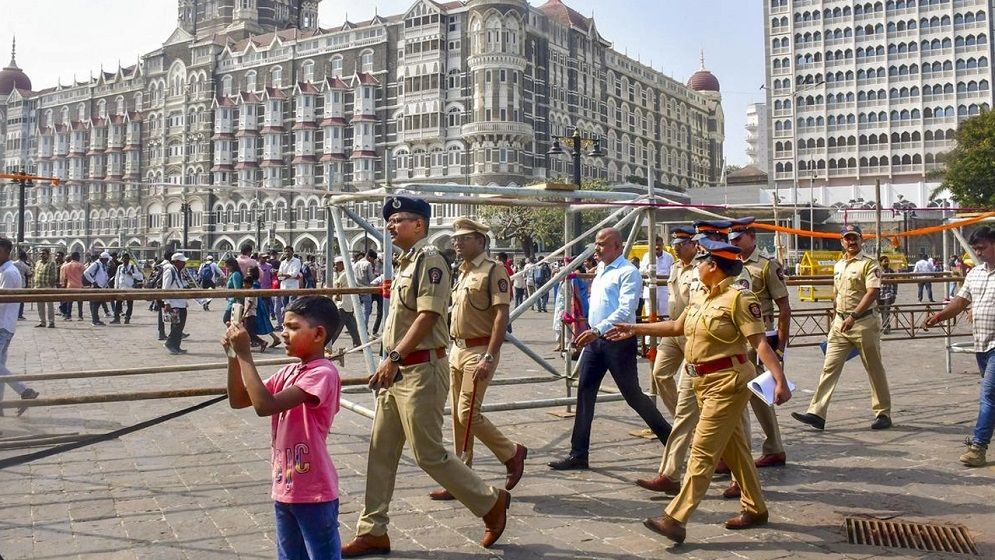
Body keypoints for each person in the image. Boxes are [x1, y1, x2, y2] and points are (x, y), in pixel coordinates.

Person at [342, 196, 510, 557]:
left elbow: (428, 316)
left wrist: (395, 357)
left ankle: (491, 502)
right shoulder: (405, 263)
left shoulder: (430, 261)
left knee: (428, 454)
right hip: (397, 370)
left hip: (421, 369)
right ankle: (373, 530)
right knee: (381, 451)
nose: (390, 226)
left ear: (419, 225)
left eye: (398, 220)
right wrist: (390, 359)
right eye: (389, 221)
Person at [606, 238, 791, 544]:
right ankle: (755, 508)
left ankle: (675, 518)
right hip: (701, 382)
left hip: (728, 382)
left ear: (713, 267)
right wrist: (635, 328)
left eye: (702, 262)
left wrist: (779, 379)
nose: (698, 266)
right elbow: (677, 326)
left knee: (702, 452)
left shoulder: (739, 299)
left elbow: (759, 342)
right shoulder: (701, 296)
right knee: (737, 451)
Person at [224, 295, 343, 560]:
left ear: (319, 334)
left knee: (322, 554)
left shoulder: (322, 373)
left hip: (314, 490)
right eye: (284, 327)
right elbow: (240, 399)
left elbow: (264, 406)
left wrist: (245, 354)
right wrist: (234, 358)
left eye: (293, 327)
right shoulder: (290, 371)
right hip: (285, 485)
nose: (284, 333)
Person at [548, 228, 672, 471]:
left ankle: (671, 440)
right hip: (596, 342)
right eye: (596, 243)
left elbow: (626, 311)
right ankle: (578, 453)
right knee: (585, 394)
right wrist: (590, 330)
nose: (597, 248)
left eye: (602, 244)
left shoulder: (628, 272)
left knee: (633, 396)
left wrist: (598, 329)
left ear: (617, 246)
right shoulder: (602, 270)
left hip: (617, 340)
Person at [427, 217, 527, 501]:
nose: (456, 242)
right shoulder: (462, 271)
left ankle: (511, 452)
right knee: (460, 422)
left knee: (467, 413)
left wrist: (489, 355)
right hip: (457, 349)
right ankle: (461, 479)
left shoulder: (493, 271)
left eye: (464, 238)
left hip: (479, 350)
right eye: (456, 238)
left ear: (481, 241)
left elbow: (501, 316)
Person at [793, 224, 892, 431]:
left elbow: (872, 292)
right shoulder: (839, 265)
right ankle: (816, 413)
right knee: (829, 366)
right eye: (847, 238)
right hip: (840, 323)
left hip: (863, 322)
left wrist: (854, 315)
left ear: (861, 240)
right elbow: (837, 293)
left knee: (873, 368)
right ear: (842, 241)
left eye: (854, 238)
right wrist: (838, 315)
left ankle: (883, 413)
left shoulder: (869, 264)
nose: (851, 242)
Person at [726, 217, 791, 494]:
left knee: (745, 395)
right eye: (731, 240)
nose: (734, 244)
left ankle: (740, 463)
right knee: (757, 394)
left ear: (751, 236)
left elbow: (784, 307)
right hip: (738, 337)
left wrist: (780, 347)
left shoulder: (766, 265)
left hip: (759, 336)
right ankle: (774, 447)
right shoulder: (731, 263)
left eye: (738, 239)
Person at [925, 226, 995, 467]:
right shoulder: (975, 273)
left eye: (983, 248)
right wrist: (939, 316)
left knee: (988, 395)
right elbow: (960, 301)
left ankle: (978, 447)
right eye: (976, 249)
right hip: (982, 345)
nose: (979, 253)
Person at [0, 238, 39, 415]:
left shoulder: (9, 273)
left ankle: (24, 391)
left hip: (2, 324)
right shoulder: (5, 271)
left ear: (4, 251)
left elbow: (2, 302)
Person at [161, 253, 190, 355]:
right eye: (182, 261)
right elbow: (165, 288)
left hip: (180, 303)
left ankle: (176, 346)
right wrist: (167, 302)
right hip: (173, 303)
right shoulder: (169, 272)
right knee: (176, 326)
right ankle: (170, 343)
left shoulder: (178, 272)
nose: (184, 263)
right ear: (176, 262)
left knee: (180, 325)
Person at [641, 236, 675, 320]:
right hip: (650, 292)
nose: (657, 247)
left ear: (663, 245)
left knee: (665, 316)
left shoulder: (669, 257)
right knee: (650, 316)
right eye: (655, 245)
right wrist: (648, 271)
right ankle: (650, 333)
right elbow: (641, 271)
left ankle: (664, 332)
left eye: (659, 245)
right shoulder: (646, 256)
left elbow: (673, 272)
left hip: (664, 292)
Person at [331, 256, 361, 348]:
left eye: (337, 265)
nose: (336, 267)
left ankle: (328, 344)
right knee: (352, 325)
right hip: (346, 303)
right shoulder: (344, 273)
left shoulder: (345, 274)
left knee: (337, 326)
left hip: (343, 304)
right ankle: (358, 343)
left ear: (342, 264)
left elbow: (336, 284)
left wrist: (335, 273)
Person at [110, 253, 144, 325]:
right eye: (124, 259)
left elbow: (140, 277)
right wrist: (116, 287)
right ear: (122, 259)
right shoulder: (120, 267)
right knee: (118, 304)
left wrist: (132, 274)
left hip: (130, 288)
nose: (125, 260)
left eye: (127, 259)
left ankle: (127, 318)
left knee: (129, 304)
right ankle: (117, 318)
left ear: (129, 259)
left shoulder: (132, 267)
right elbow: (117, 277)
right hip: (121, 288)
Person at [83, 252, 112, 326]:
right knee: (95, 304)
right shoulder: (96, 264)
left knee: (97, 304)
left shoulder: (102, 265)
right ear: (103, 259)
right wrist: (93, 281)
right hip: (97, 286)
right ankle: (95, 320)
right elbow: (86, 272)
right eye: (106, 259)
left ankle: (96, 319)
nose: (107, 261)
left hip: (102, 286)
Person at [33, 248, 59, 328]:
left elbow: (54, 276)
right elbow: (36, 274)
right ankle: (42, 322)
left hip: (47, 286)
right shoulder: (38, 263)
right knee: (40, 306)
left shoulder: (52, 263)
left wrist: (50, 286)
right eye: (41, 254)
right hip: (38, 286)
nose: (41, 255)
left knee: (50, 305)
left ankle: (51, 322)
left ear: (48, 255)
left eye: (43, 253)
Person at [352, 249, 376, 333]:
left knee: (358, 312)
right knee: (366, 312)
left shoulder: (355, 264)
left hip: (356, 290)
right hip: (366, 290)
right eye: (373, 259)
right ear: (369, 257)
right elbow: (371, 279)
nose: (373, 261)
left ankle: (359, 329)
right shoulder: (368, 264)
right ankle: (364, 331)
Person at [277, 246, 303, 317]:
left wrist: (283, 275)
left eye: (288, 251)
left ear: (292, 252)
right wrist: (288, 275)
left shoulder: (296, 261)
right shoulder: (283, 262)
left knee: (292, 306)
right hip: (284, 286)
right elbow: (279, 276)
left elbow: (295, 273)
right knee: (285, 306)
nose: (287, 253)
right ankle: (285, 322)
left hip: (293, 287)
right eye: (285, 251)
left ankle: (292, 320)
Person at [60, 252, 85, 320]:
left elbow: (64, 277)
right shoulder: (80, 265)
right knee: (80, 302)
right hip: (79, 285)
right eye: (79, 256)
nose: (80, 258)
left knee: (69, 302)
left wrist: (63, 285)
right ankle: (80, 316)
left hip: (70, 285)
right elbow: (84, 274)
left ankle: (68, 315)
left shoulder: (66, 266)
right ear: (77, 257)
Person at [878, 255, 897, 334]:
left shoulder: (891, 271)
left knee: (886, 311)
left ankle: (885, 327)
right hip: (879, 295)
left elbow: (895, 284)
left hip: (888, 294)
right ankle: (886, 325)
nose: (887, 263)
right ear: (880, 262)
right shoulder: (877, 272)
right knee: (882, 312)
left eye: (887, 261)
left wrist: (894, 294)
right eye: (885, 261)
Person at [223, 256, 244, 326]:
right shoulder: (233, 274)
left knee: (226, 319)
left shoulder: (236, 274)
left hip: (234, 301)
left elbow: (237, 289)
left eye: (227, 266)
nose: (227, 268)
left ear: (231, 266)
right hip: (231, 300)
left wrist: (237, 301)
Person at [13, 251, 32, 320]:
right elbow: (30, 275)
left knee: (13, 300)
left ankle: (14, 314)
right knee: (21, 300)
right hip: (22, 284)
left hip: (14, 284)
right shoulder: (25, 266)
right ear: (24, 257)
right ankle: (19, 315)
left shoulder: (13, 264)